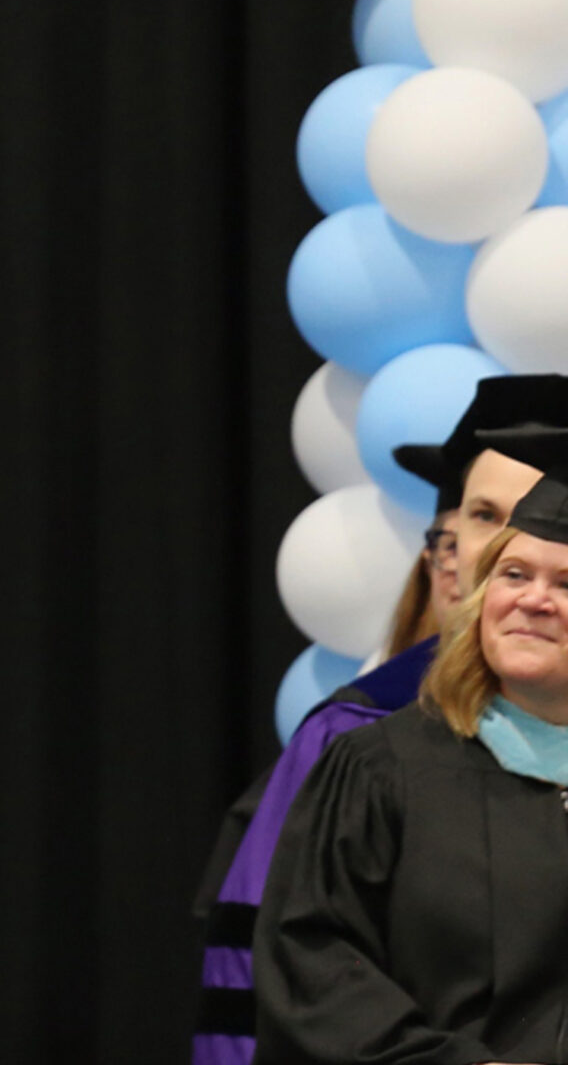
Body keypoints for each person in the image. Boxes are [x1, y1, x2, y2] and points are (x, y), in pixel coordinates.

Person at [190, 374, 568, 1064]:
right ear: (443, 551)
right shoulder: (363, 751)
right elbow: (294, 969)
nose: (533, 595)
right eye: (490, 525)